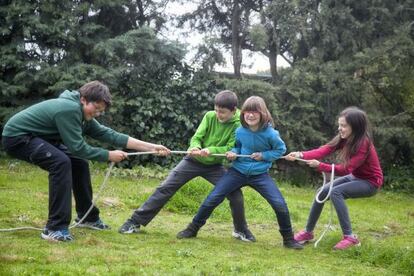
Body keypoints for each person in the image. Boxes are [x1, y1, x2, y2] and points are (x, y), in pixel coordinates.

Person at [1, 80, 170, 242]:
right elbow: (78, 147)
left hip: (40, 138)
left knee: (79, 162)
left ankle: (87, 217)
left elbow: (111, 135)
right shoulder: (68, 110)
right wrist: (108, 155)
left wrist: (152, 147)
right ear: (83, 100)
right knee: (61, 163)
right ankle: (55, 229)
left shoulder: (82, 113)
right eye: (96, 109)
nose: (97, 114)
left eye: (101, 111)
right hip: (18, 138)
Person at [118, 90, 256, 242]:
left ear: (234, 110)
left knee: (235, 194)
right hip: (192, 160)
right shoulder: (209, 116)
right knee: (166, 187)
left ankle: (240, 230)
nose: (218, 114)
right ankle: (135, 221)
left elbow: (230, 148)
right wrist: (195, 147)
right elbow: (197, 137)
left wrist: (211, 150)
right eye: (216, 110)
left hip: (214, 166)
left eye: (222, 112)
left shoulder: (238, 125)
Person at [176, 96, 303, 250]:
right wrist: (233, 153)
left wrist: (264, 156)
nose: (250, 115)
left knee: (279, 204)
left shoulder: (271, 134)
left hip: (260, 175)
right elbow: (236, 147)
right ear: (242, 114)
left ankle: (288, 239)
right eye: (247, 112)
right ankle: (192, 229)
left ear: (263, 113)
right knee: (213, 197)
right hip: (237, 171)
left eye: (254, 112)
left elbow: (280, 150)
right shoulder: (240, 131)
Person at [285, 106, 383, 250]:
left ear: (355, 127)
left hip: (371, 182)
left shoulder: (363, 143)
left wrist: (320, 166)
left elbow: (345, 169)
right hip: (355, 177)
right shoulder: (344, 138)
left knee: (336, 192)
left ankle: (350, 238)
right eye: (339, 125)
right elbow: (324, 150)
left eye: (343, 126)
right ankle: (308, 232)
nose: (340, 128)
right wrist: (300, 155)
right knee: (321, 192)